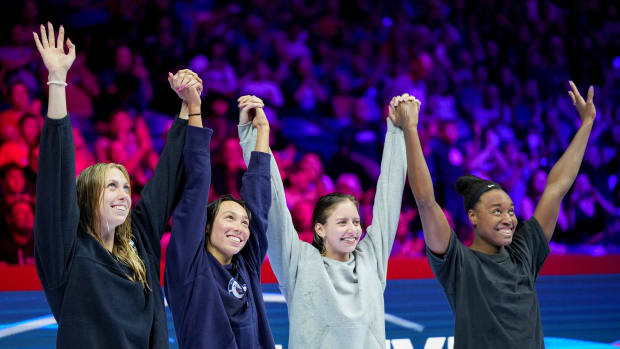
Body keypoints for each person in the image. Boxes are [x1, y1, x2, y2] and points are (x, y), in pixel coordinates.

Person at [32, 22, 201, 348]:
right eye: (111, 186)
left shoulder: (139, 239)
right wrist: (57, 80)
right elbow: (55, 177)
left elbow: (167, 177)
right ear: (85, 196)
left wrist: (188, 105)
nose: (124, 194)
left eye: (125, 186)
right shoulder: (66, 250)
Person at [397, 81, 596, 348]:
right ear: (473, 217)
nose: (509, 218)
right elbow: (425, 201)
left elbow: (556, 188)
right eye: (497, 211)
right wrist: (411, 128)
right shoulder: (459, 263)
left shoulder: (524, 252)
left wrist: (586, 125)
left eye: (511, 211)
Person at [238, 95, 409, 348]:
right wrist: (255, 135)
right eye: (342, 223)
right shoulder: (297, 262)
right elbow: (273, 202)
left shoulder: (371, 258)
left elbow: (389, 198)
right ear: (320, 229)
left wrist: (397, 131)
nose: (353, 229)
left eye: (356, 222)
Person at [164, 95, 275, 348]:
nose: (240, 228)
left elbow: (258, 198)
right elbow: (196, 185)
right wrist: (195, 109)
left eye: (244, 223)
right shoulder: (188, 267)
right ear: (205, 226)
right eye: (229, 218)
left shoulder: (246, 265)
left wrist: (261, 132)